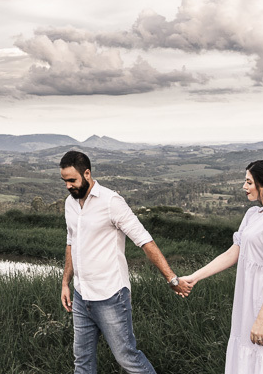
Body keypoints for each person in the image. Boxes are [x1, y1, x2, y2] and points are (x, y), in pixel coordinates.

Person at [60, 150, 192, 374]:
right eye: (64, 181)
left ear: (87, 174)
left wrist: (172, 278)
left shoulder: (111, 202)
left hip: (111, 296)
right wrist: (65, 283)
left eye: (72, 180)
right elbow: (72, 242)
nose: (68, 186)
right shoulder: (70, 204)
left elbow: (144, 241)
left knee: (127, 359)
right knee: (82, 362)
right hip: (82, 296)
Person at [181, 160, 263, 373]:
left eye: (249, 182)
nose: (244, 186)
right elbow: (234, 252)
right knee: (247, 357)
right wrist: (195, 277)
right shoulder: (253, 215)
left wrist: (262, 318)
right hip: (248, 298)